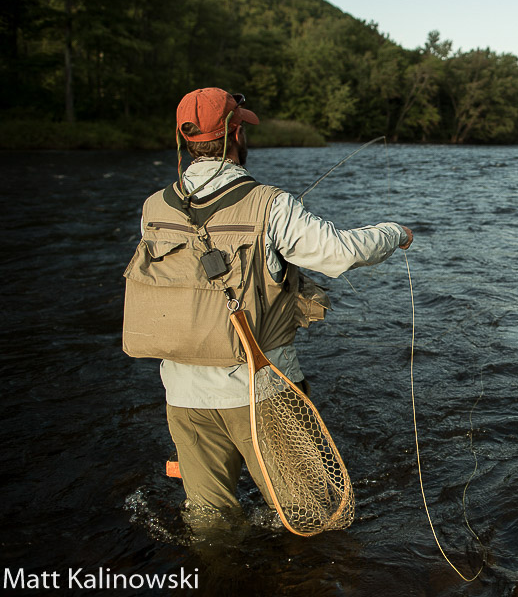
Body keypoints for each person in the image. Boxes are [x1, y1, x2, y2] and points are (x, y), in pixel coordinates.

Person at [123, 87, 412, 522]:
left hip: (182, 394)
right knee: (314, 512)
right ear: (235, 133)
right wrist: (394, 232)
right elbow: (339, 253)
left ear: (187, 140)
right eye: (243, 128)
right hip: (262, 391)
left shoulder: (152, 208)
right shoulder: (271, 204)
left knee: (209, 520)